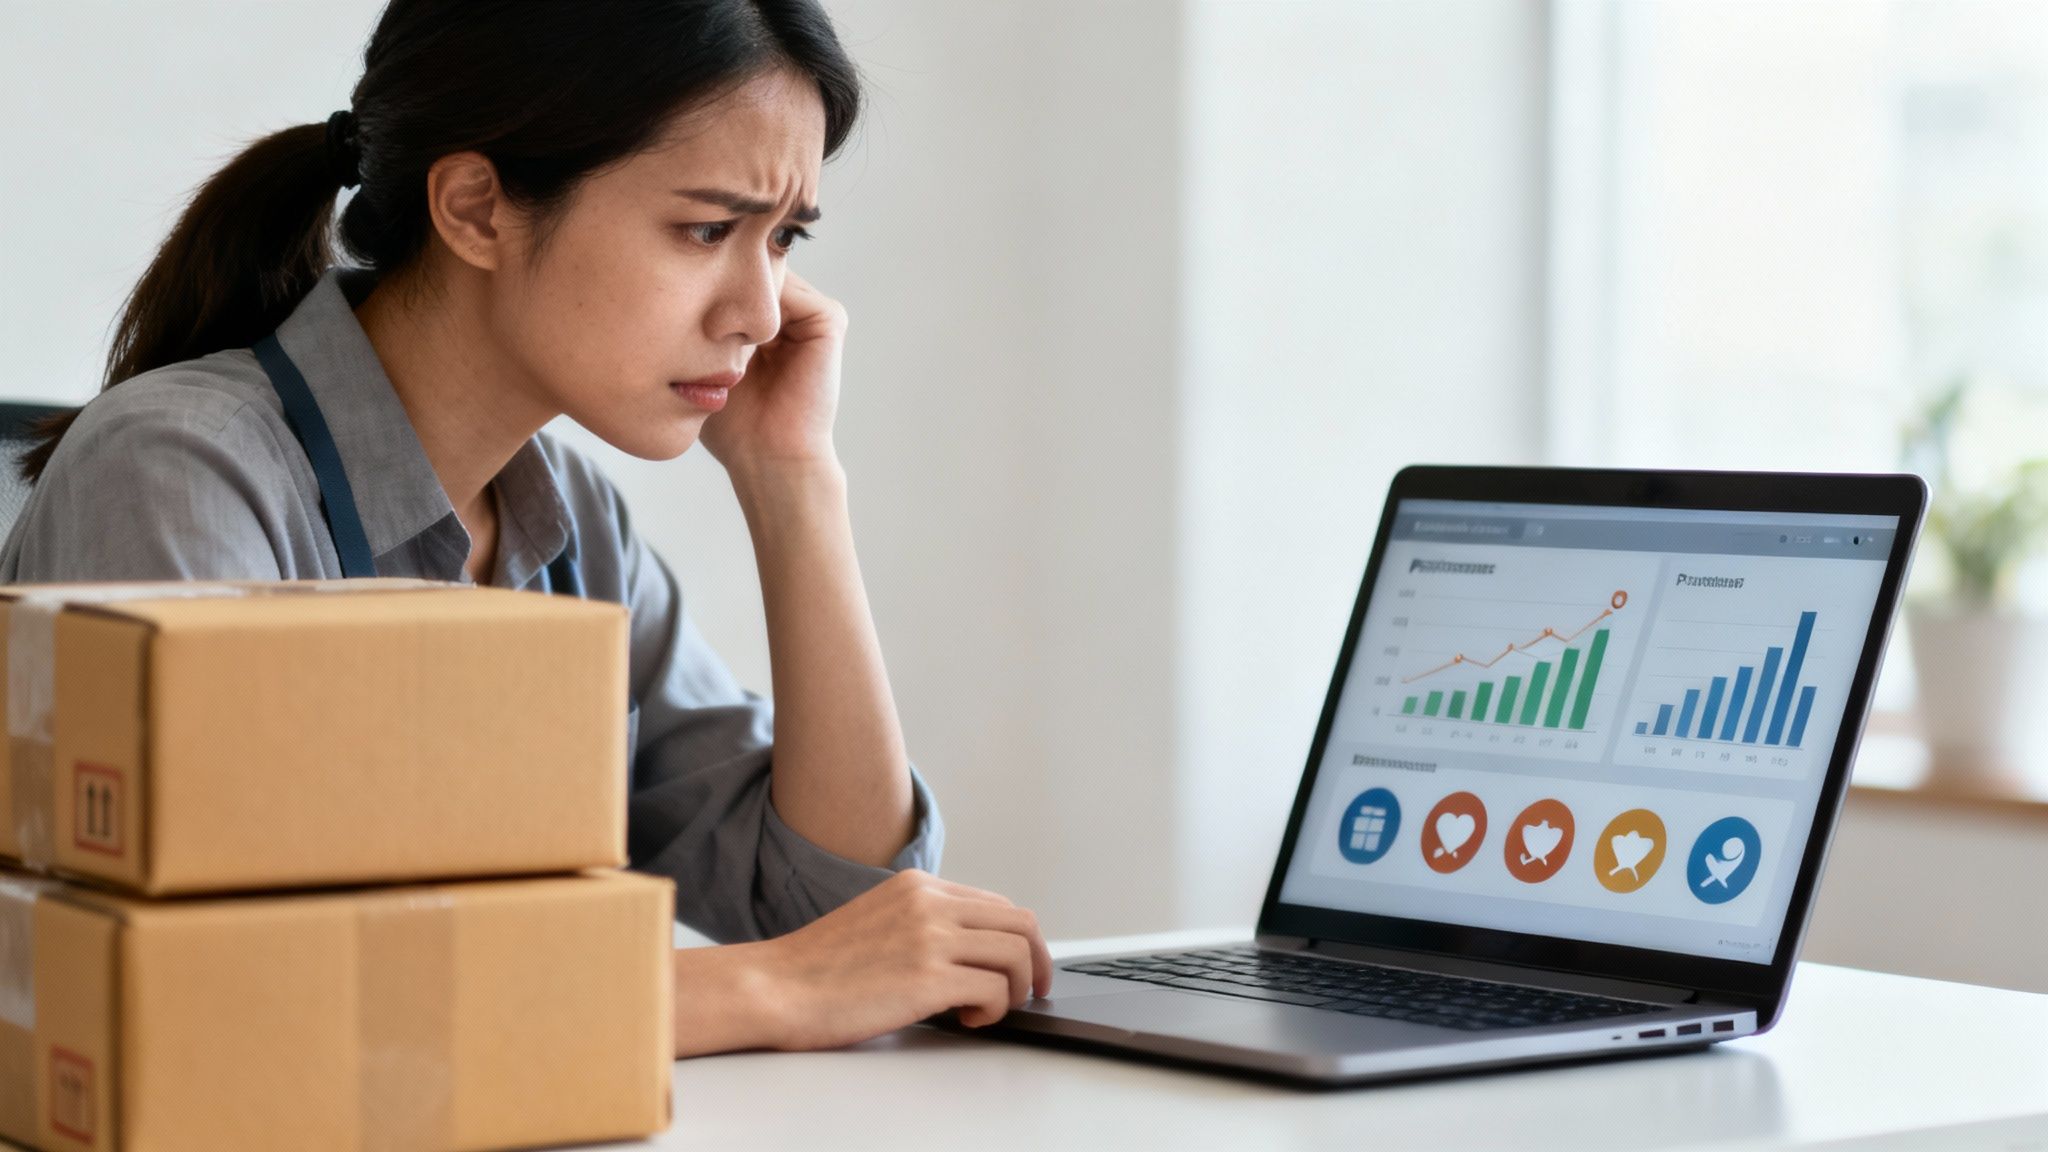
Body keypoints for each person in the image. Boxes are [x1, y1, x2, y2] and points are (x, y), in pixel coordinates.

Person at [1, 0, 1051, 1056]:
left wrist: (794, 485)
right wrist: (770, 989)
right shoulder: (181, 470)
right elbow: (221, 998)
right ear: (475, 209)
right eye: (705, 229)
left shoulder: (566, 520)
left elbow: (837, 907)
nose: (763, 310)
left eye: (782, 239)